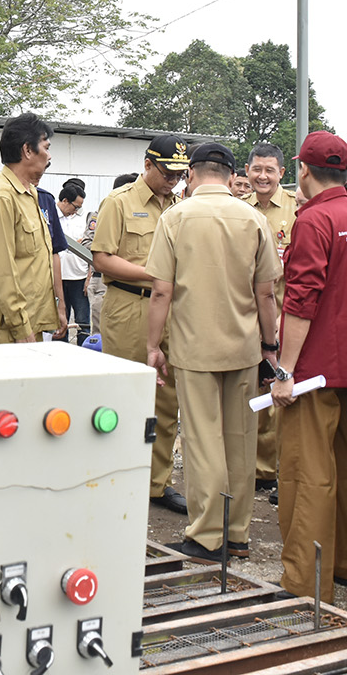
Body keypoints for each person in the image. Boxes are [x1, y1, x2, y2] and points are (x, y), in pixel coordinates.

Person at [145, 142, 281, 562]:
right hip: (244, 347)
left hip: (194, 347)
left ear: (191, 174)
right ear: (232, 176)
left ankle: (206, 536)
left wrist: (152, 345)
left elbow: (161, 291)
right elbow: (266, 293)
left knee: (203, 440)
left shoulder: (175, 217)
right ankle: (237, 533)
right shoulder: (254, 219)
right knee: (241, 440)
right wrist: (270, 347)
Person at [269, 131, 347, 602]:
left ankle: (305, 581)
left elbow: (301, 301)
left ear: (302, 170)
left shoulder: (314, 220)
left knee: (307, 473)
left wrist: (285, 371)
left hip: (313, 370)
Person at [92, 135, 189, 515]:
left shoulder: (179, 206)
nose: (173, 181)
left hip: (170, 310)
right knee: (127, 395)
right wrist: (155, 274)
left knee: (167, 400)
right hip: (130, 306)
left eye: (179, 175)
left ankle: (156, 483)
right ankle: (117, 477)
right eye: (167, 173)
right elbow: (102, 258)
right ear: (147, 164)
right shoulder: (119, 202)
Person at [0, 113, 62, 345]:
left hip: (32, 324)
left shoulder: (30, 193)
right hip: (9, 332)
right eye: (46, 147)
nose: (49, 156)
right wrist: (21, 328)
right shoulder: (1, 197)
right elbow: (1, 272)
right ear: (28, 150)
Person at [243, 143, 299, 493]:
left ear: (281, 173)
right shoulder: (238, 208)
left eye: (269, 170)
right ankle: (259, 471)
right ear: (247, 171)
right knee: (255, 394)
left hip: (287, 317)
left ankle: (281, 470)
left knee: (284, 394)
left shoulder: (297, 209)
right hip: (247, 318)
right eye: (257, 169)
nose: (262, 176)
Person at [55, 180, 90, 342]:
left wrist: (89, 277)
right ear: (65, 201)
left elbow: (92, 248)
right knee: (59, 321)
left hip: (79, 277)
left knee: (83, 322)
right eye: (75, 207)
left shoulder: (85, 218)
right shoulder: (51, 217)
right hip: (58, 278)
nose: (76, 211)